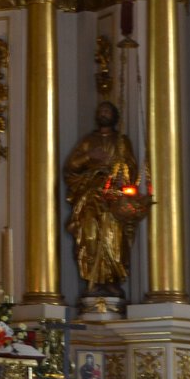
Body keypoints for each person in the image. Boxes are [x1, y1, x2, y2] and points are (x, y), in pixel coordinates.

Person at [63, 101, 139, 297]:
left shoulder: (122, 141)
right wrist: (89, 156)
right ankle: (93, 280)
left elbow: (131, 167)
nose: (104, 113)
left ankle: (112, 280)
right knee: (90, 235)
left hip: (114, 198)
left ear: (114, 116)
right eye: (101, 111)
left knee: (114, 237)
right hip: (91, 195)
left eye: (107, 111)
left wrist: (124, 175)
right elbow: (72, 166)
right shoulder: (89, 141)